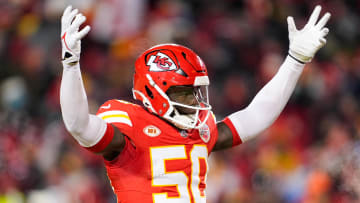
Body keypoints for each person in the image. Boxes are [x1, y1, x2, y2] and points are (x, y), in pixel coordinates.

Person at [60, 5, 330, 203]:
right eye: (184, 92)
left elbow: (254, 116)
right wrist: (71, 63)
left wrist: (295, 60)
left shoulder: (199, 129)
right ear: (154, 91)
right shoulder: (129, 124)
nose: (194, 100)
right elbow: (78, 125)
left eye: (195, 91)